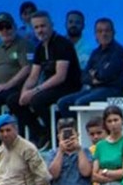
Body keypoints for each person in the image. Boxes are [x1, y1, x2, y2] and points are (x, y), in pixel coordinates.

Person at [16, 11, 82, 145]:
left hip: (68, 86)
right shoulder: (40, 47)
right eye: (36, 27)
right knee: (15, 101)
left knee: (37, 100)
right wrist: (24, 93)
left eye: (43, 26)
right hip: (49, 87)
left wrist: (34, 91)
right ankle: (40, 133)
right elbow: (33, 76)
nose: (40, 30)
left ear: (51, 25)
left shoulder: (62, 44)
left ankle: (54, 136)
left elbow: (60, 76)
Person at [55, 18, 123, 120]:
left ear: (113, 32)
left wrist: (95, 75)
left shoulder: (118, 52)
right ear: (95, 34)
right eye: (100, 31)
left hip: (114, 90)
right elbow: (84, 77)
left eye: (107, 31)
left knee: (80, 102)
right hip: (95, 89)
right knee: (63, 102)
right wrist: (95, 78)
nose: (104, 34)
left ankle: (88, 131)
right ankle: (76, 130)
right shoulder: (95, 52)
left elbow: (106, 75)